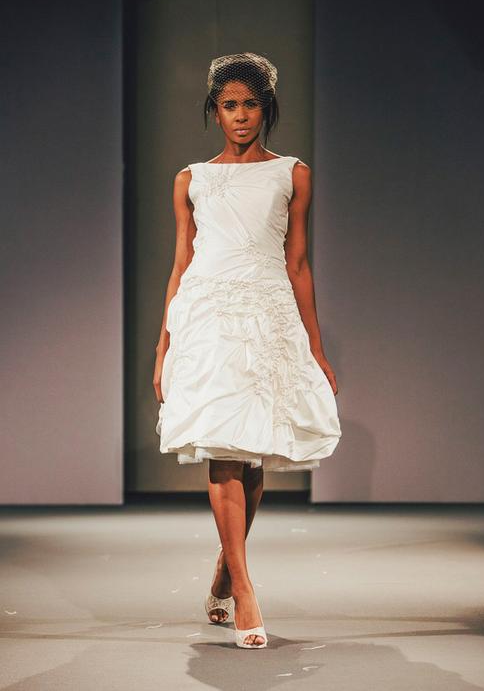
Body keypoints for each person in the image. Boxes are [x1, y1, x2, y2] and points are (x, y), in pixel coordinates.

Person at [153, 52, 342, 648]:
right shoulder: (191, 179)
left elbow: (299, 263)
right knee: (222, 450)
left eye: (251, 104)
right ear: (214, 110)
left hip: (267, 315)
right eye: (229, 104)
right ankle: (245, 589)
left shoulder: (293, 174)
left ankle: (224, 568)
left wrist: (315, 348)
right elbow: (181, 264)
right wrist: (163, 346)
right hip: (208, 318)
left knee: (253, 455)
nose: (240, 115)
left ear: (267, 108)